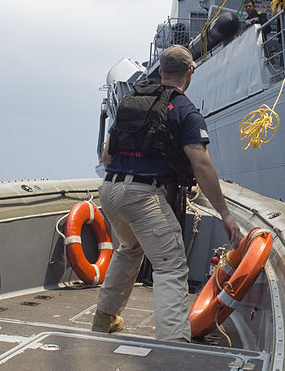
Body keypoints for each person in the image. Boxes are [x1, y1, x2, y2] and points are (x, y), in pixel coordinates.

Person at [93, 45, 242, 341]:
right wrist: (225, 214)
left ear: (160, 72)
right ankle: (174, 343)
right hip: (142, 195)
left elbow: (107, 156)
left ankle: (104, 318)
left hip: (110, 190)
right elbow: (201, 164)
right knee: (171, 265)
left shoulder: (131, 101)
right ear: (190, 72)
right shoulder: (185, 110)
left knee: (131, 249)